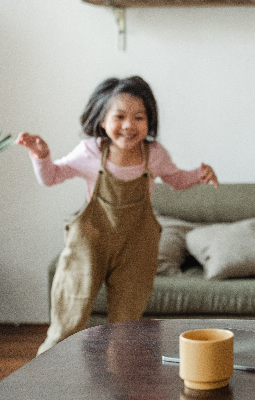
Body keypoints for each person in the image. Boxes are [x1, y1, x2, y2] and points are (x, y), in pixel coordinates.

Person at [16, 76, 219, 354]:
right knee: (67, 320)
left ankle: (120, 386)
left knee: (126, 328)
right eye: (119, 116)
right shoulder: (90, 152)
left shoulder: (154, 154)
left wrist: (199, 174)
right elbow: (52, 177)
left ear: (149, 121)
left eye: (139, 117)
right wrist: (41, 156)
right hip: (89, 246)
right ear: (102, 120)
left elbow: (176, 179)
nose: (128, 125)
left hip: (135, 249)